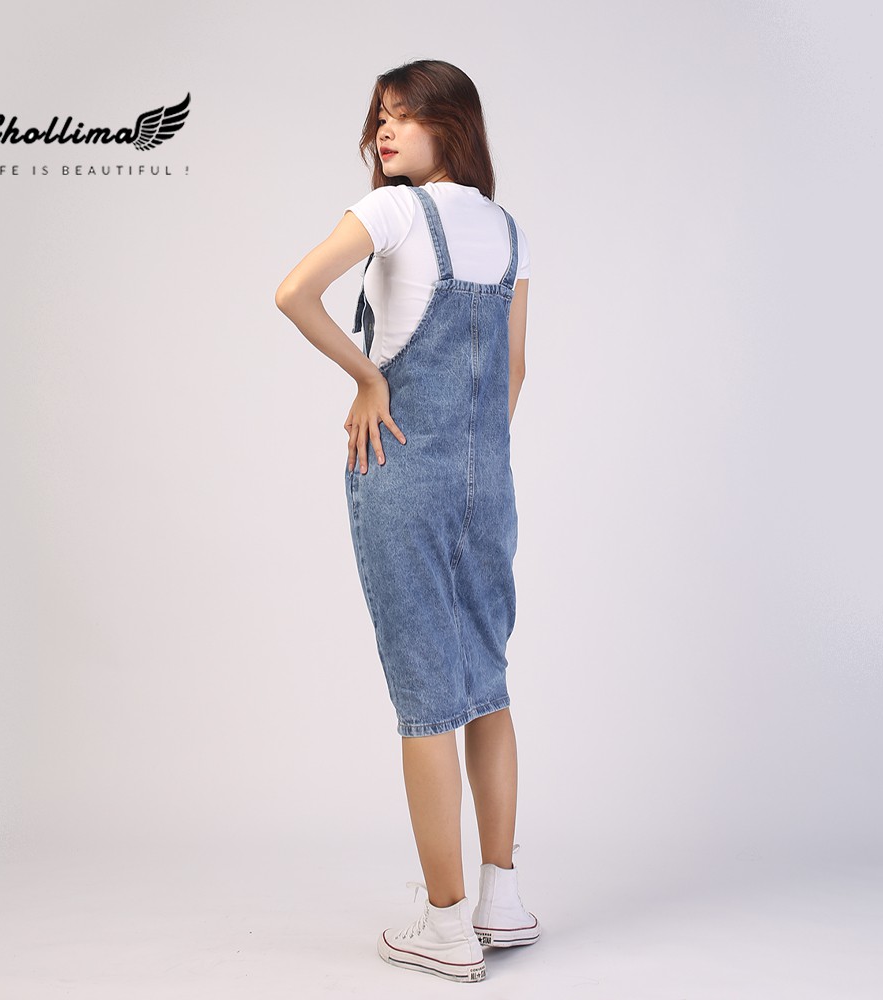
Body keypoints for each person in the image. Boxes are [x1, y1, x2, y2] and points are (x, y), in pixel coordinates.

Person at [275, 59, 540, 984]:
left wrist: (368, 379)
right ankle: (502, 901)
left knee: (428, 699)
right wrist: (473, 460)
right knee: (487, 685)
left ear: (449, 124)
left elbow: (292, 292)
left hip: (403, 476)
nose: (384, 131)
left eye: (404, 115)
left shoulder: (390, 213)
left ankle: (446, 925)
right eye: (380, 117)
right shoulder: (506, 228)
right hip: (487, 482)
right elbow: (513, 372)